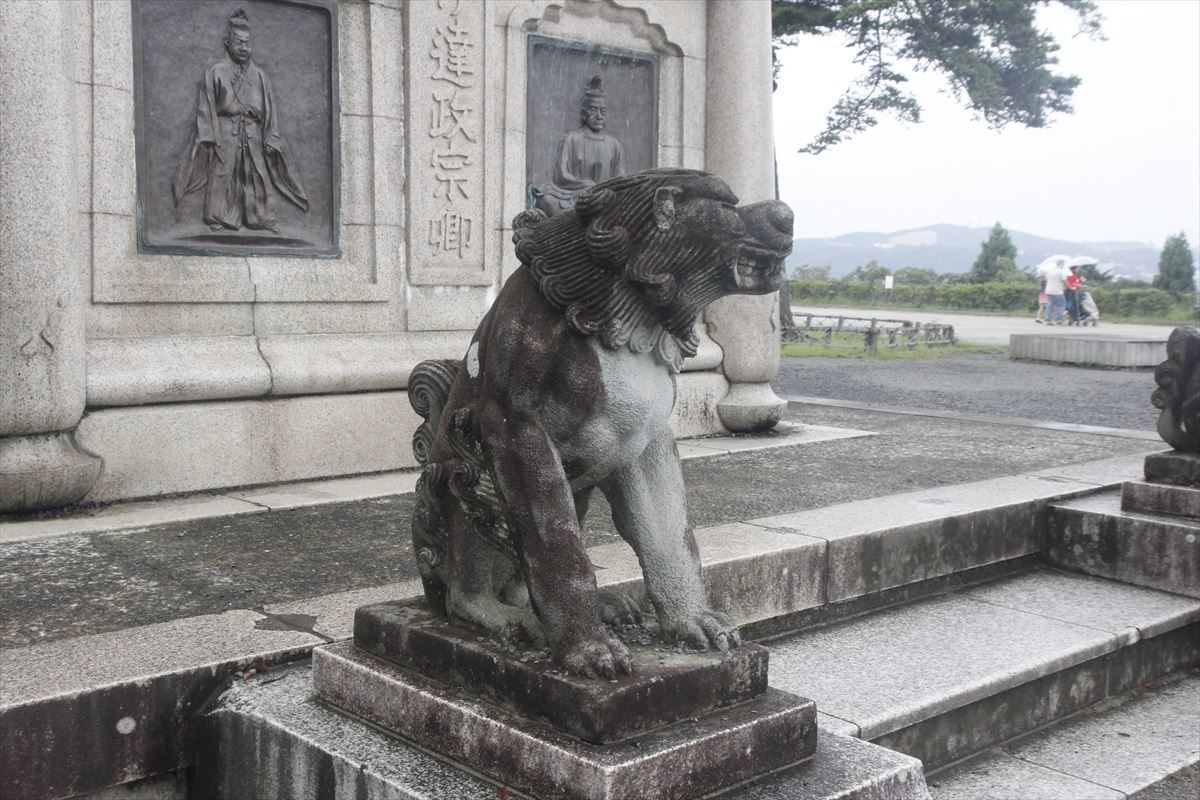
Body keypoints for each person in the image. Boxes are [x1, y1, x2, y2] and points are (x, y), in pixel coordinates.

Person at [172, 9, 308, 232]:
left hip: (253, 134)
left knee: (257, 174)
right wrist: (210, 138)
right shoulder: (216, 72)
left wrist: (271, 136)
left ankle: (261, 219)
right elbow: (207, 108)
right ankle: (217, 216)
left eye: (247, 43)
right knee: (223, 175)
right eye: (239, 43)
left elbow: (270, 111)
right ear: (227, 42)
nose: (244, 48)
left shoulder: (260, 77)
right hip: (225, 133)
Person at [532, 76, 625, 217]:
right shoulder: (571, 139)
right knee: (546, 201)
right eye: (593, 110)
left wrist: (603, 191)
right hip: (573, 195)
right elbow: (561, 175)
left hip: (605, 198)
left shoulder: (614, 144)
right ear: (584, 114)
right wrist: (585, 184)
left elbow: (621, 180)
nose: (599, 116)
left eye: (603, 111)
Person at [1040, 257, 1069, 325]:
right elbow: (1065, 281)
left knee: (1049, 305)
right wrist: (1070, 287)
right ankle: (1059, 320)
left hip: (1049, 291)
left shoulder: (1050, 271)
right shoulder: (1061, 271)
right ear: (1062, 264)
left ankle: (1048, 320)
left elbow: (1046, 280)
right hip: (1058, 291)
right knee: (1061, 305)